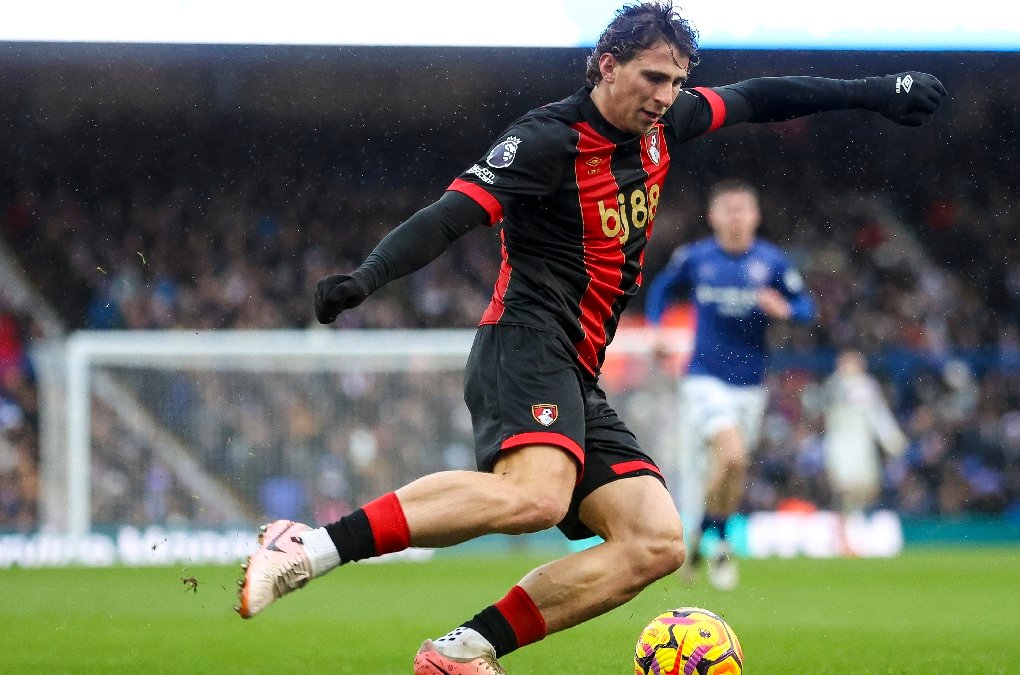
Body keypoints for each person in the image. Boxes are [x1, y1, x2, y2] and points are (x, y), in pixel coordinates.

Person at [237, 3, 945, 672]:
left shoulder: (665, 127)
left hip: (577, 369)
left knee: (656, 540)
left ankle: (463, 650)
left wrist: (876, 91)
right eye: (653, 77)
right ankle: (307, 548)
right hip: (525, 340)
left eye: (677, 82)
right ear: (607, 65)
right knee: (536, 497)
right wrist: (367, 277)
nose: (666, 96)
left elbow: (761, 95)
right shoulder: (547, 140)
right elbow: (451, 214)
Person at [643, 179, 816, 590]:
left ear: (755, 216)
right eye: (728, 209)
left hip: (750, 384)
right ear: (713, 216)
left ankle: (708, 537)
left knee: (734, 468)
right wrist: (657, 329)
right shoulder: (696, 257)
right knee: (732, 454)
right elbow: (660, 289)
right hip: (704, 378)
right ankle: (717, 541)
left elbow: (807, 308)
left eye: (743, 209)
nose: (736, 217)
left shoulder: (771, 262)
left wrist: (785, 309)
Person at [816, 350, 908, 556]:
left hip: (862, 445)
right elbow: (824, 407)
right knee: (844, 489)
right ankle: (843, 538)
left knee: (865, 490)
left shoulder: (866, 385)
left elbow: (878, 414)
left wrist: (892, 439)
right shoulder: (835, 384)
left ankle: (851, 533)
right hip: (840, 444)